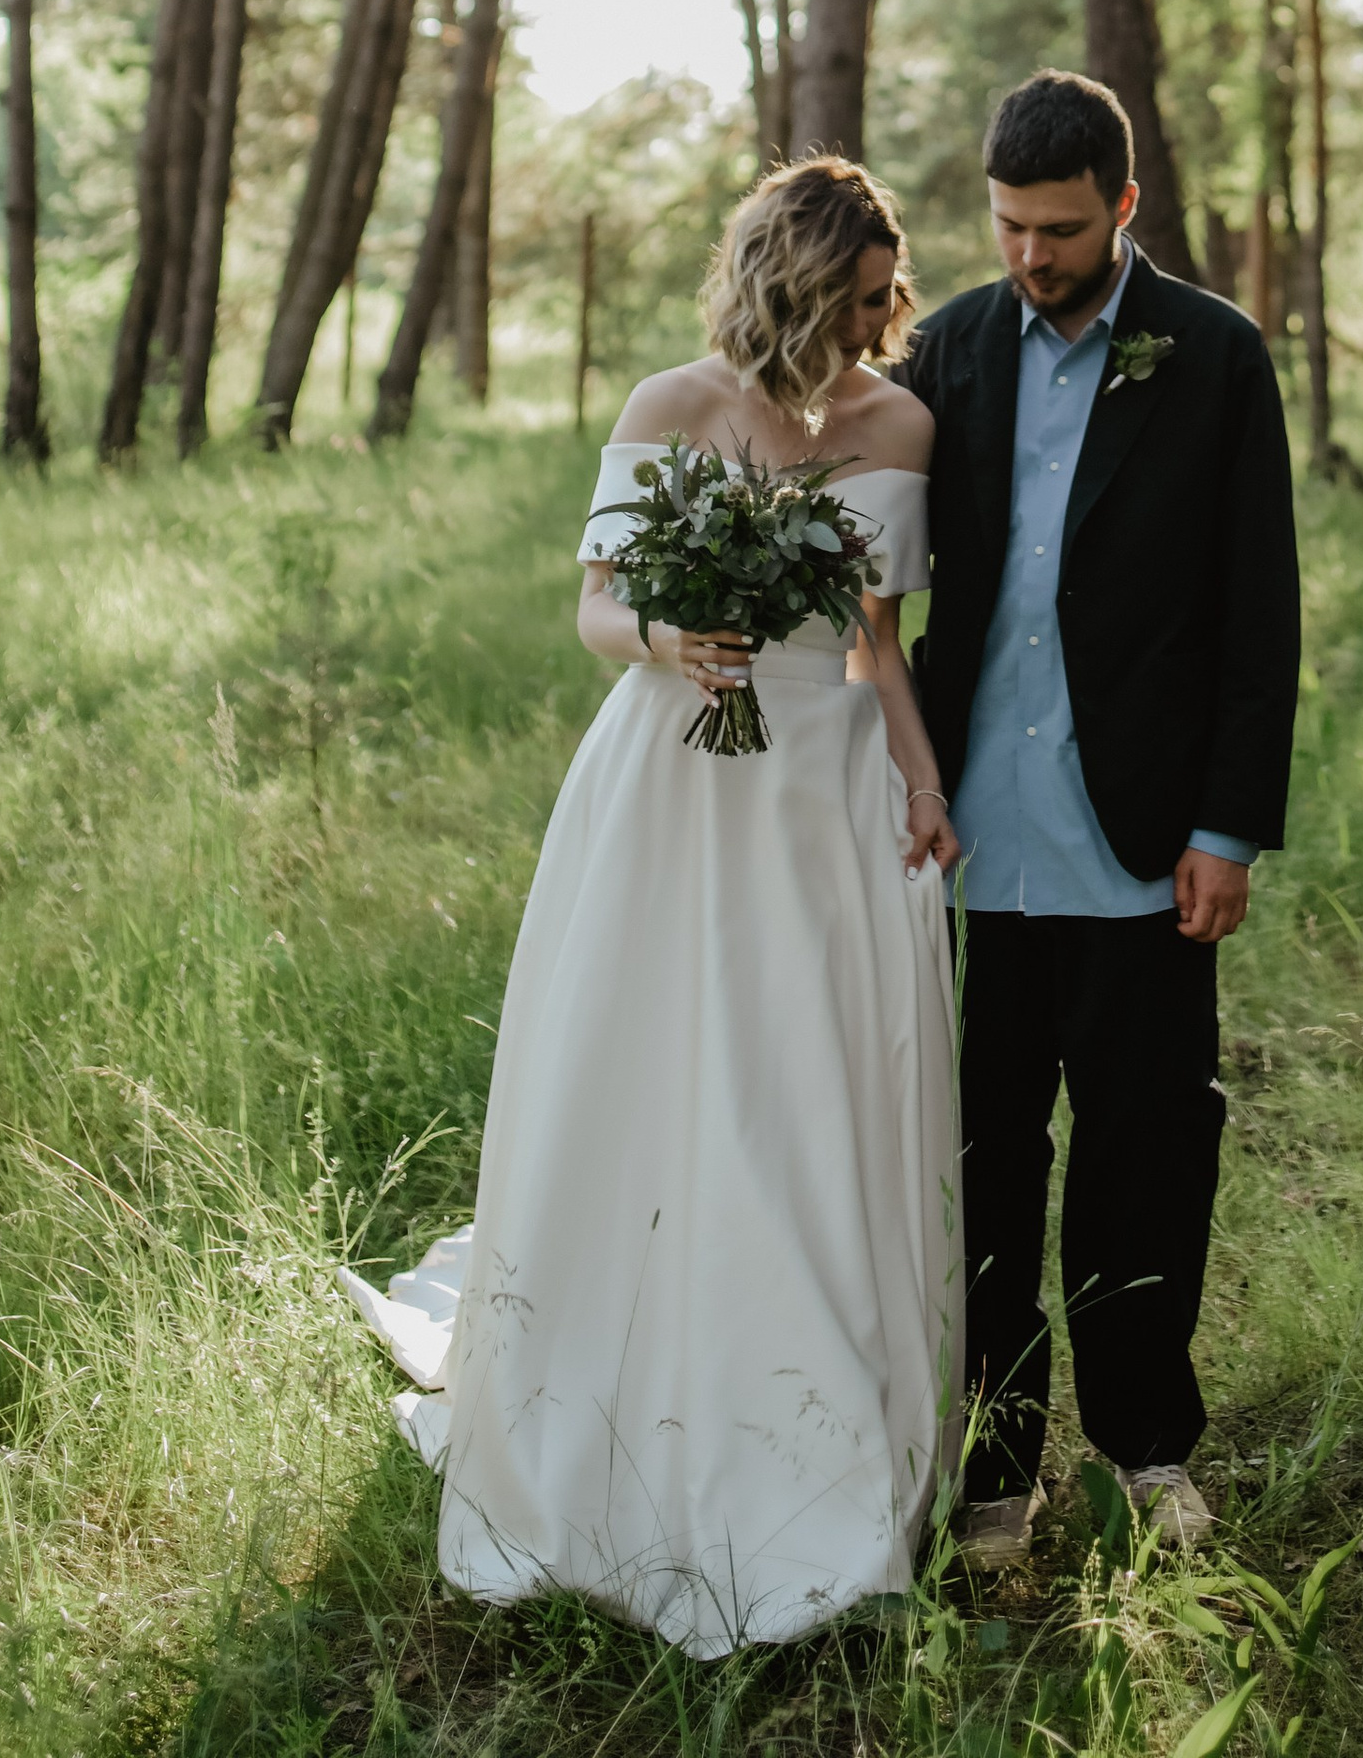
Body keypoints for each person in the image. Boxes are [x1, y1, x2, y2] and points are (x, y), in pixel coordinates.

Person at [341, 156, 961, 1658]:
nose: (890, 323)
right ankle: (623, 1395)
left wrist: (925, 784)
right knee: (667, 1071)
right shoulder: (669, 408)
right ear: (799, 285)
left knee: (810, 1090)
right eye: (868, 298)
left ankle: (819, 1426)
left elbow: (879, 641)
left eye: (895, 296)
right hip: (676, 778)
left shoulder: (902, 423)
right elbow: (598, 606)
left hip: (826, 793)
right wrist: (673, 634)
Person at [902, 69, 1300, 1564]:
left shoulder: (1212, 355)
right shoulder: (944, 349)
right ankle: (995, 1469)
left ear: (1124, 208)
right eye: (1008, 225)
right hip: (967, 852)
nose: (1030, 256)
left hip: (1143, 851)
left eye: (1060, 229)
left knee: (1146, 1161)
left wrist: (1229, 830)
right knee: (982, 1169)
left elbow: (1259, 615)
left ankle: (1146, 1451)